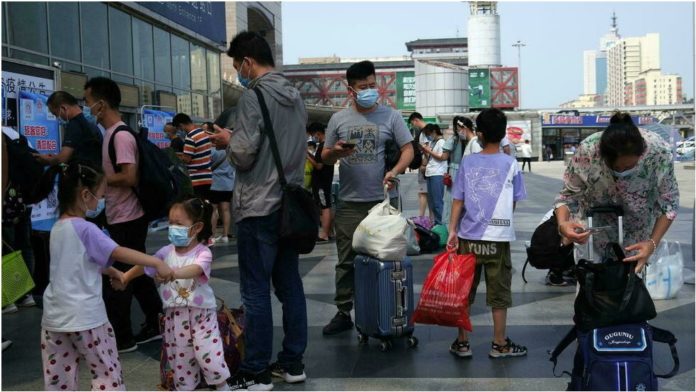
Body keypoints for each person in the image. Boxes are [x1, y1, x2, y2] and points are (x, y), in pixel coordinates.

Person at [208, 31, 309, 390]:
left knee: (255, 291)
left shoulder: (254, 97)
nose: (239, 73)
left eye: (238, 67)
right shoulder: (295, 96)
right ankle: (293, 362)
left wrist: (227, 140)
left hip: (258, 205)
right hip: (289, 205)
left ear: (248, 63)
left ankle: (256, 370)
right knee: (290, 285)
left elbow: (245, 154)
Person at [31, 160, 173, 391]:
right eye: (101, 195)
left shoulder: (57, 227)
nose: (101, 201)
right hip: (87, 318)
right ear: (85, 195)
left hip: (54, 319)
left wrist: (110, 270)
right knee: (106, 374)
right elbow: (118, 251)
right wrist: (156, 261)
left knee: (59, 381)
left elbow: (73, 263)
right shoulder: (87, 228)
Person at [321, 60, 414, 336]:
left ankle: (388, 308)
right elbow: (324, 156)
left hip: (382, 203)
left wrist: (395, 170)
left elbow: (408, 148)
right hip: (349, 202)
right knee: (346, 259)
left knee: (389, 257)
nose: (370, 91)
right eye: (363, 87)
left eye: (373, 85)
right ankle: (343, 311)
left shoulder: (391, 116)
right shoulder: (338, 119)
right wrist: (336, 152)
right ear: (350, 90)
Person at [115, 198, 231, 391]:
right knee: (181, 360)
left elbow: (194, 270)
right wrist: (126, 277)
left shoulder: (203, 253)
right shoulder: (165, 252)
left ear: (196, 228)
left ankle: (222, 386)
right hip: (174, 317)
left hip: (201, 315)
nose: (172, 228)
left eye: (178, 224)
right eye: (170, 223)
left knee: (209, 355)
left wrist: (172, 273)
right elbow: (147, 263)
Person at [84, 76, 164, 353]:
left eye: (88, 102)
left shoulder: (121, 136)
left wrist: (100, 180)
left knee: (119, 276)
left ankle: (122, 337)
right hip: (120, 213)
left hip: (129, 216)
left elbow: (129, 176)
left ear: (101, 104)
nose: (87, 107)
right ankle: (156, 321)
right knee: (136, 273)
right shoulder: (112, 134)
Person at [446, 108, 528, 359]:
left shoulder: (468, 162)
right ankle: (499, 343)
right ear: (503, 134)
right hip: (498, 238)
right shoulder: (511, 163)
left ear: (479, 134)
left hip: (469, 237)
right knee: (499, 294)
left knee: (464, 292)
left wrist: (452, 231)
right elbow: (513, 201)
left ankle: (462, 343)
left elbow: (458, 200)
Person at [554, 112, 679, 274]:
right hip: (592, 229)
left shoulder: (658, 152)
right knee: (591, 288)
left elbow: (669, 203)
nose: (621, 173)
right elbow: (567, 195)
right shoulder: (588, 150)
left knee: (633, 290)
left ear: (641, 156)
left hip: (637, 234)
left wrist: (652, 243)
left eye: (627, 168)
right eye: (614, 168)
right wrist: (563, 224)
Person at [34, 91, 102, 167]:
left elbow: (62, 159)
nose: (57, 118)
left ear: (63, 108)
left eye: (55, 114)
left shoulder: (74, 125)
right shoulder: (90, 124)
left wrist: (44, 159)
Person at [442, 116, 475, 225]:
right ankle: (452, 226)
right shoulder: (457, 140)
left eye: (459, 128)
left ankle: (454, 226)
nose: (457, 131)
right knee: (454, 200)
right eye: (456, 128)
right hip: (455, 172)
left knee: (456, 200)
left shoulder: (471, 142)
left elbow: (444, 157)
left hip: (459, 173)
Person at [173, 113, 213, 201]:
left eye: (178, 129)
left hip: (196, 179)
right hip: (207, 176)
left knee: (195, 207)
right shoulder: (204, 133)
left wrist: (177, 157)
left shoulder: (190, 137)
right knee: (205, 205)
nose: (180, 131)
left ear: (181, 125)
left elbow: (187, 159)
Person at [307, 122, 335, 242]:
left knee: (324, 206)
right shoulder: (328, 145)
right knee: (327, 204)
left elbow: (319, 166)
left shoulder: (323, 146)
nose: (314, 137)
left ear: (318, 133)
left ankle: (324, 234)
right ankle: (330, 231)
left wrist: (306, 156)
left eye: (314, 135)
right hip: (326, 180)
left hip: (321, 182)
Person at [209, 133, 235, 245]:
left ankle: (212, 235)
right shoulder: (231, 151)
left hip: (215, 184)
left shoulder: (212, 151)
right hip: (229, 184)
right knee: (226, 210)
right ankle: (225, 235)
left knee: (213, 210)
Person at [420, 123, 448, 225]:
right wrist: (425, 151)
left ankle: (441, 224)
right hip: (430, 173)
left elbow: (441, 157)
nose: (428, 136)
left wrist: (429, 151)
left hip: (437, 173)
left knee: (437, 201)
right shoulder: (433, 142)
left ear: (434, 132)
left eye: (429, 133)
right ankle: (436, 223)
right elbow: (430, 157)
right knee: (431, 202)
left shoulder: (441, 142)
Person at [408, 112, 431, 219]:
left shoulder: (424, 132)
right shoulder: (430, 129)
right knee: (428, 193)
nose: (414, 126)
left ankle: (421, 218)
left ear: (415, 120)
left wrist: (423, 164)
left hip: (425, 165)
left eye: (413, 124)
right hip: (430, 165)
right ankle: (431, 219)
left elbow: (426, 150)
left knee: (422, 193)